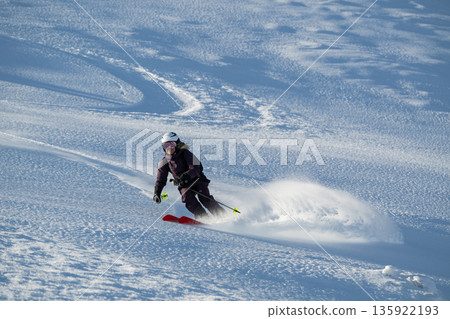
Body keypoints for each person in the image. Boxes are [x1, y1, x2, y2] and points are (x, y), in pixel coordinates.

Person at [153, 132, 225, 219]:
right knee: (188, 199)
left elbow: (197, 167)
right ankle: (203, 217)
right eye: (166, 146)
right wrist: (157, 192)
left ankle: (222, 216)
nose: (169, 148)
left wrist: (184, 177)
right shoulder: (164, 162)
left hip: (197, 180)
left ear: (177, 144)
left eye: (172, 144)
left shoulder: (186, 153)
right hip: (184, 185)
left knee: (204, 198)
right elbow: (160, 178)